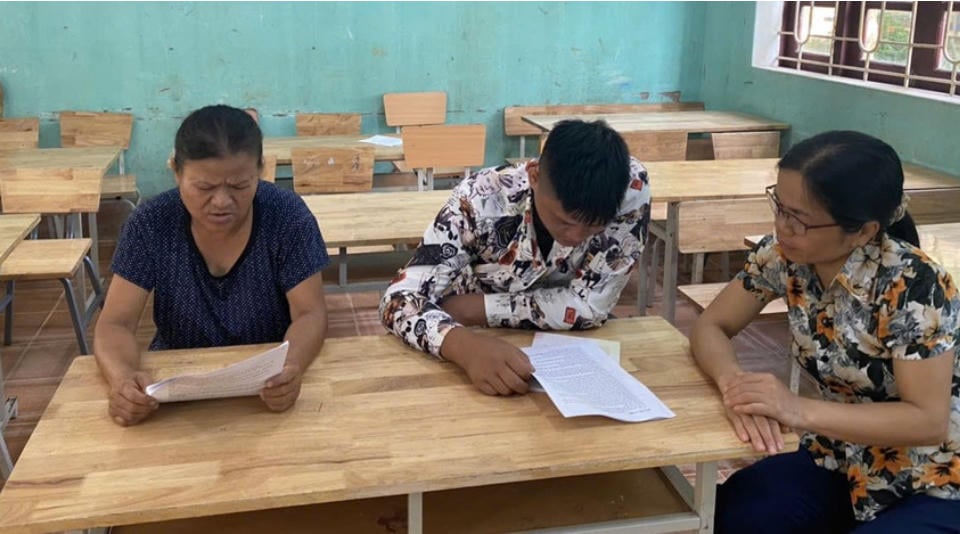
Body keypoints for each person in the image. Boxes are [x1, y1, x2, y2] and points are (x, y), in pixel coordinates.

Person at [689, 130, 960, 532]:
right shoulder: (781, 257)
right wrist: (735, 386)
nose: (782, 226)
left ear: (864, 231)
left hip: (931, 475)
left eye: (799, 218)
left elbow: (927, 420)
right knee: (737, 512)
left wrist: (795, 408)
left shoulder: (915, 285)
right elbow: (712, 325)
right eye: (779, 206)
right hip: (839, 455)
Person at [94, 105, 330, 426]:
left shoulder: (287, 217)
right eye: (204, 187)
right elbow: (115, 323)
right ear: (175, 171)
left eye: (239, 186)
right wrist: (122, 379)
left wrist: (290, 368)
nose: (221, 201)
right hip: (175, 389)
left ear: (260, 170)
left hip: (263, 385)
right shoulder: (151, 223)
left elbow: (310, 312)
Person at [380, 119, 651, 396]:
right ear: (534, 176)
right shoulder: (479, 199)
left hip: (569, 345)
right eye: (564, 222)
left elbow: (591, 306)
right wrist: (463, 346)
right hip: (477, 339)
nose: (575, 237)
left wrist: (478, 308)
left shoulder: (630, 189)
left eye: (594, 228)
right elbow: (398, 300)